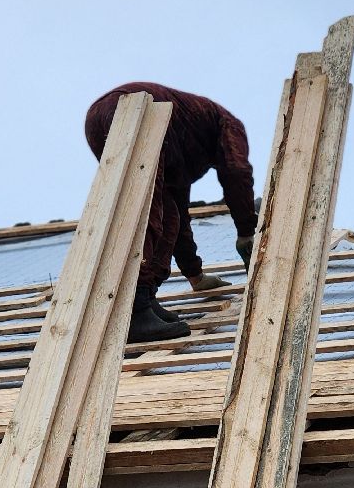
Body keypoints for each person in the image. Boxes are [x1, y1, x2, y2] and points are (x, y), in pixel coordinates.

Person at [84, 82, 257, 343]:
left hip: (99, 118)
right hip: (137, 109)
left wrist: (195, 275)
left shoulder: (181, 155)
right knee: (150, 212)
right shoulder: (228, 124)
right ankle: (136, 311)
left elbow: (180, 218)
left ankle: (143, 298)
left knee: (168, 216)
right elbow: (237, 171)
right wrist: (246, 232)